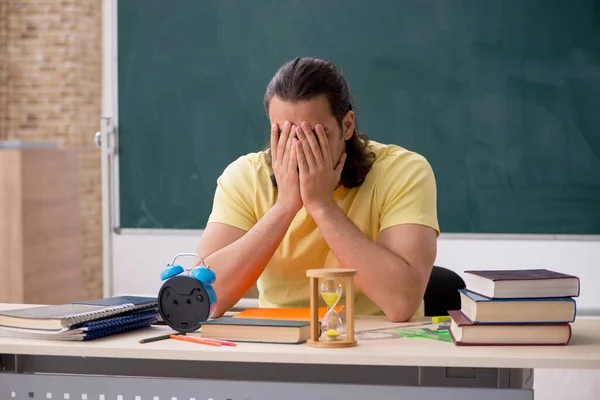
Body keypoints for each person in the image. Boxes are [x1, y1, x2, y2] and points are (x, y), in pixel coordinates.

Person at [196, 57, 439, 322]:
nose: (298, 150)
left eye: (313, 136)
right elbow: (203, 299)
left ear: (347, 126)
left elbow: (401, 303)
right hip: (279, 343)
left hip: (376, 343)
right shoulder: (244, 177)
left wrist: (322, 205)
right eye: (285, 136)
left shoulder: (403, 171)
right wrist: (286, 205)